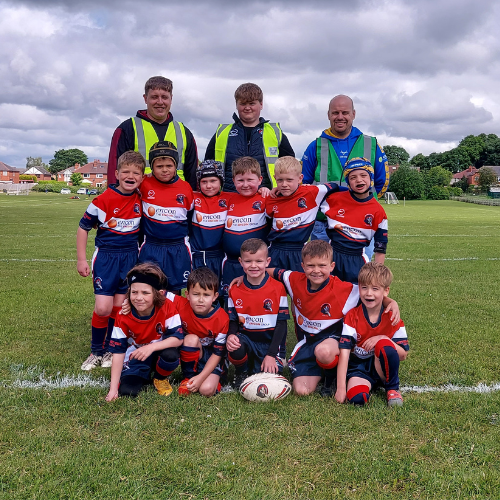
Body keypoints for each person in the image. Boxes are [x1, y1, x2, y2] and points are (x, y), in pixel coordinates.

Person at [270, 240, 399, 397]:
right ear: (302, 266)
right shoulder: (293, 279)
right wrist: (245, 278)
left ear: (332, 267)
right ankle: (322, 369)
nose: (316, 270)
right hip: (308, 343)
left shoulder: (343, 289)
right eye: (311, 266)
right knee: (302, 390)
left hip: (332, 343)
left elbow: (370, 294)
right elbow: (270, 271)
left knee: (324, 352)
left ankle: (331, 380)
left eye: (322, 266)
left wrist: (390, 301)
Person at [77, 151, 145, 371]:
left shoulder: (141, 198)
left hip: (130, 257)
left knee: (119, 306)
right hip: (106, 257)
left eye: (136, 173)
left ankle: (109, 349)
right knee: (103, 307)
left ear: (142, 178)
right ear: (116, 174)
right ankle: (95, 351)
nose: (130, 176)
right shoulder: (102, 200)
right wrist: (81, 260)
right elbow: (83, 227)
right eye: (126, 171)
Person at [301, 95, 389, 254]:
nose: (340, 117)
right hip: (324, 225)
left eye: (345, 112)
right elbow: (304, 186)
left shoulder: (372, 144)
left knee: (361, 274)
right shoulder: (316, 146)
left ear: (353, 114)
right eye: (335, 113)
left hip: (362, 222)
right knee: (322, 274)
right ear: (328, 115)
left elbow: (381, 183)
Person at [105, 263, 183, 400]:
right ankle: (142, 372)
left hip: (158, 351)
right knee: (128, 391)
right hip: (136, 356)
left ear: (158, 294)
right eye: (134, 292)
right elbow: (118, 351)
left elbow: (178, 338)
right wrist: (113, 389)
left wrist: (151, 347)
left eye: (145, 293)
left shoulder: (167, 306)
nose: (138, 297)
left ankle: (159, 378)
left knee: (171, 354)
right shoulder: (123, 314)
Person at [335, 263, 409, 407]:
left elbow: (403, 355)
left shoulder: (393, 317)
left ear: (386, 291)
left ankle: (392, 388)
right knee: (357, 398)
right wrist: (341, 388)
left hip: (381, 368)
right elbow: (344, 353)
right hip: (359, 368)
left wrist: (383, 338)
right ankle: (366, 385)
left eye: (375, 289)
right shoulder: (352, 316)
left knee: (384, 344)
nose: (369, 293)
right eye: (364, 287)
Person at [107, 76, 199, 190]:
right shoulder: (127, 128)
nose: (160, 102)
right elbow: (114, 169)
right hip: (140, 200)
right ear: (145, 98)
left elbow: (193, 173)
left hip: (177, 201)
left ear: (171, 99)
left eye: (164, 97)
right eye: (154, 97)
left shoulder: (184, 132)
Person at [204, 82, 295, 192]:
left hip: (266, 198)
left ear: (261, 104)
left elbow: (291, 167)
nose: (247, 108)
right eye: (243, 103)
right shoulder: (222, 133)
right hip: (228, 199)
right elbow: (207, 168)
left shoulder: (275, 133)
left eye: (252, 103)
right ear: (236, 105)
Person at [227, 238, 289, 389]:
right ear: (241, 262)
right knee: (235, 345)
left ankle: (267, 362)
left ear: (267, 262)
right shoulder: (234, 289)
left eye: (259, 261)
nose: (253, 266)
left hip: (270, 345)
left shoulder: (278, 288)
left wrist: (271, 355)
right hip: (247, 340)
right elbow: (234, 320)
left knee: (269, 381)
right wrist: (230, 335)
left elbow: (282, 324)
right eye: (248, 261)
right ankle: (241, 372)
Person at [265, 156, 342, 272]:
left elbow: (334, 186)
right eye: (280, 180)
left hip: (299, 252)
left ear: (300, 178)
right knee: (274, 288)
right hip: (275, 250)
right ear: (275, 178)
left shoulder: (312, 192)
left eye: (289, 180)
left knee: (299, 287)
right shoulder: (271, 198)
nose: (284, 184)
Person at [320, 157, 388, 283]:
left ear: (371, 179)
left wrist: (378, 275)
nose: (359, 180)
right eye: (353, 177)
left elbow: (381, 247)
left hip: (357, 261)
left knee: (357, 299)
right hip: (331, 258)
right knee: (327, 297)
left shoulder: (378, 211)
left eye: (363, 175)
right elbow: (306, 198)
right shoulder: (334, 199)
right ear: (348, 182)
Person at [138, 141, 194, 294]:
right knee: (149, 289)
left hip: (177, 247)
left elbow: (190, 217)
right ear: (152, 167)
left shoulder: (185, 188)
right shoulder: (144, 183)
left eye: (169, 166)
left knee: (173, 293)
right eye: (159, 166)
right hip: (151, 246)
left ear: (176, 166)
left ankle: (173, 318)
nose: (164, 170)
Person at [170, 268, 229, 397]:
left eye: (206, 295)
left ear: (215, 297)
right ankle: (188, 377)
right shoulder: (180, 303)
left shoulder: (222, 318)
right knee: (190, 339)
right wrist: (129, 301)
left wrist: (202, 377)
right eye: (196, 294)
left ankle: (214, 380)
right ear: (187, 294)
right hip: (194, 350)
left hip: (213, 358)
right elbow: (156, 293)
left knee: (206, 390)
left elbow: (218, 353)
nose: (201, 300)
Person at [220, 156, 270, 300]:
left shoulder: (266, 198)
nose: (245, 184)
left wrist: (267, 190)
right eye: (240, 180)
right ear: (233, 181)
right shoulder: (227, 199)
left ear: (260, 180)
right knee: (230, 301)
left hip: (255, 266)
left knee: (254, 301)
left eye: (250, 180)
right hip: (230, 263)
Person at [190, 160, 228, 281]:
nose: (209, 186)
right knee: (198, 292)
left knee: (220, 294)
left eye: (213, 181)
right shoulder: (192, 197)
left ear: (221, 181)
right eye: (204, 182)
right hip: (197, 257)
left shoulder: (229, 198)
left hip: (220, 257)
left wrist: (263, 189)